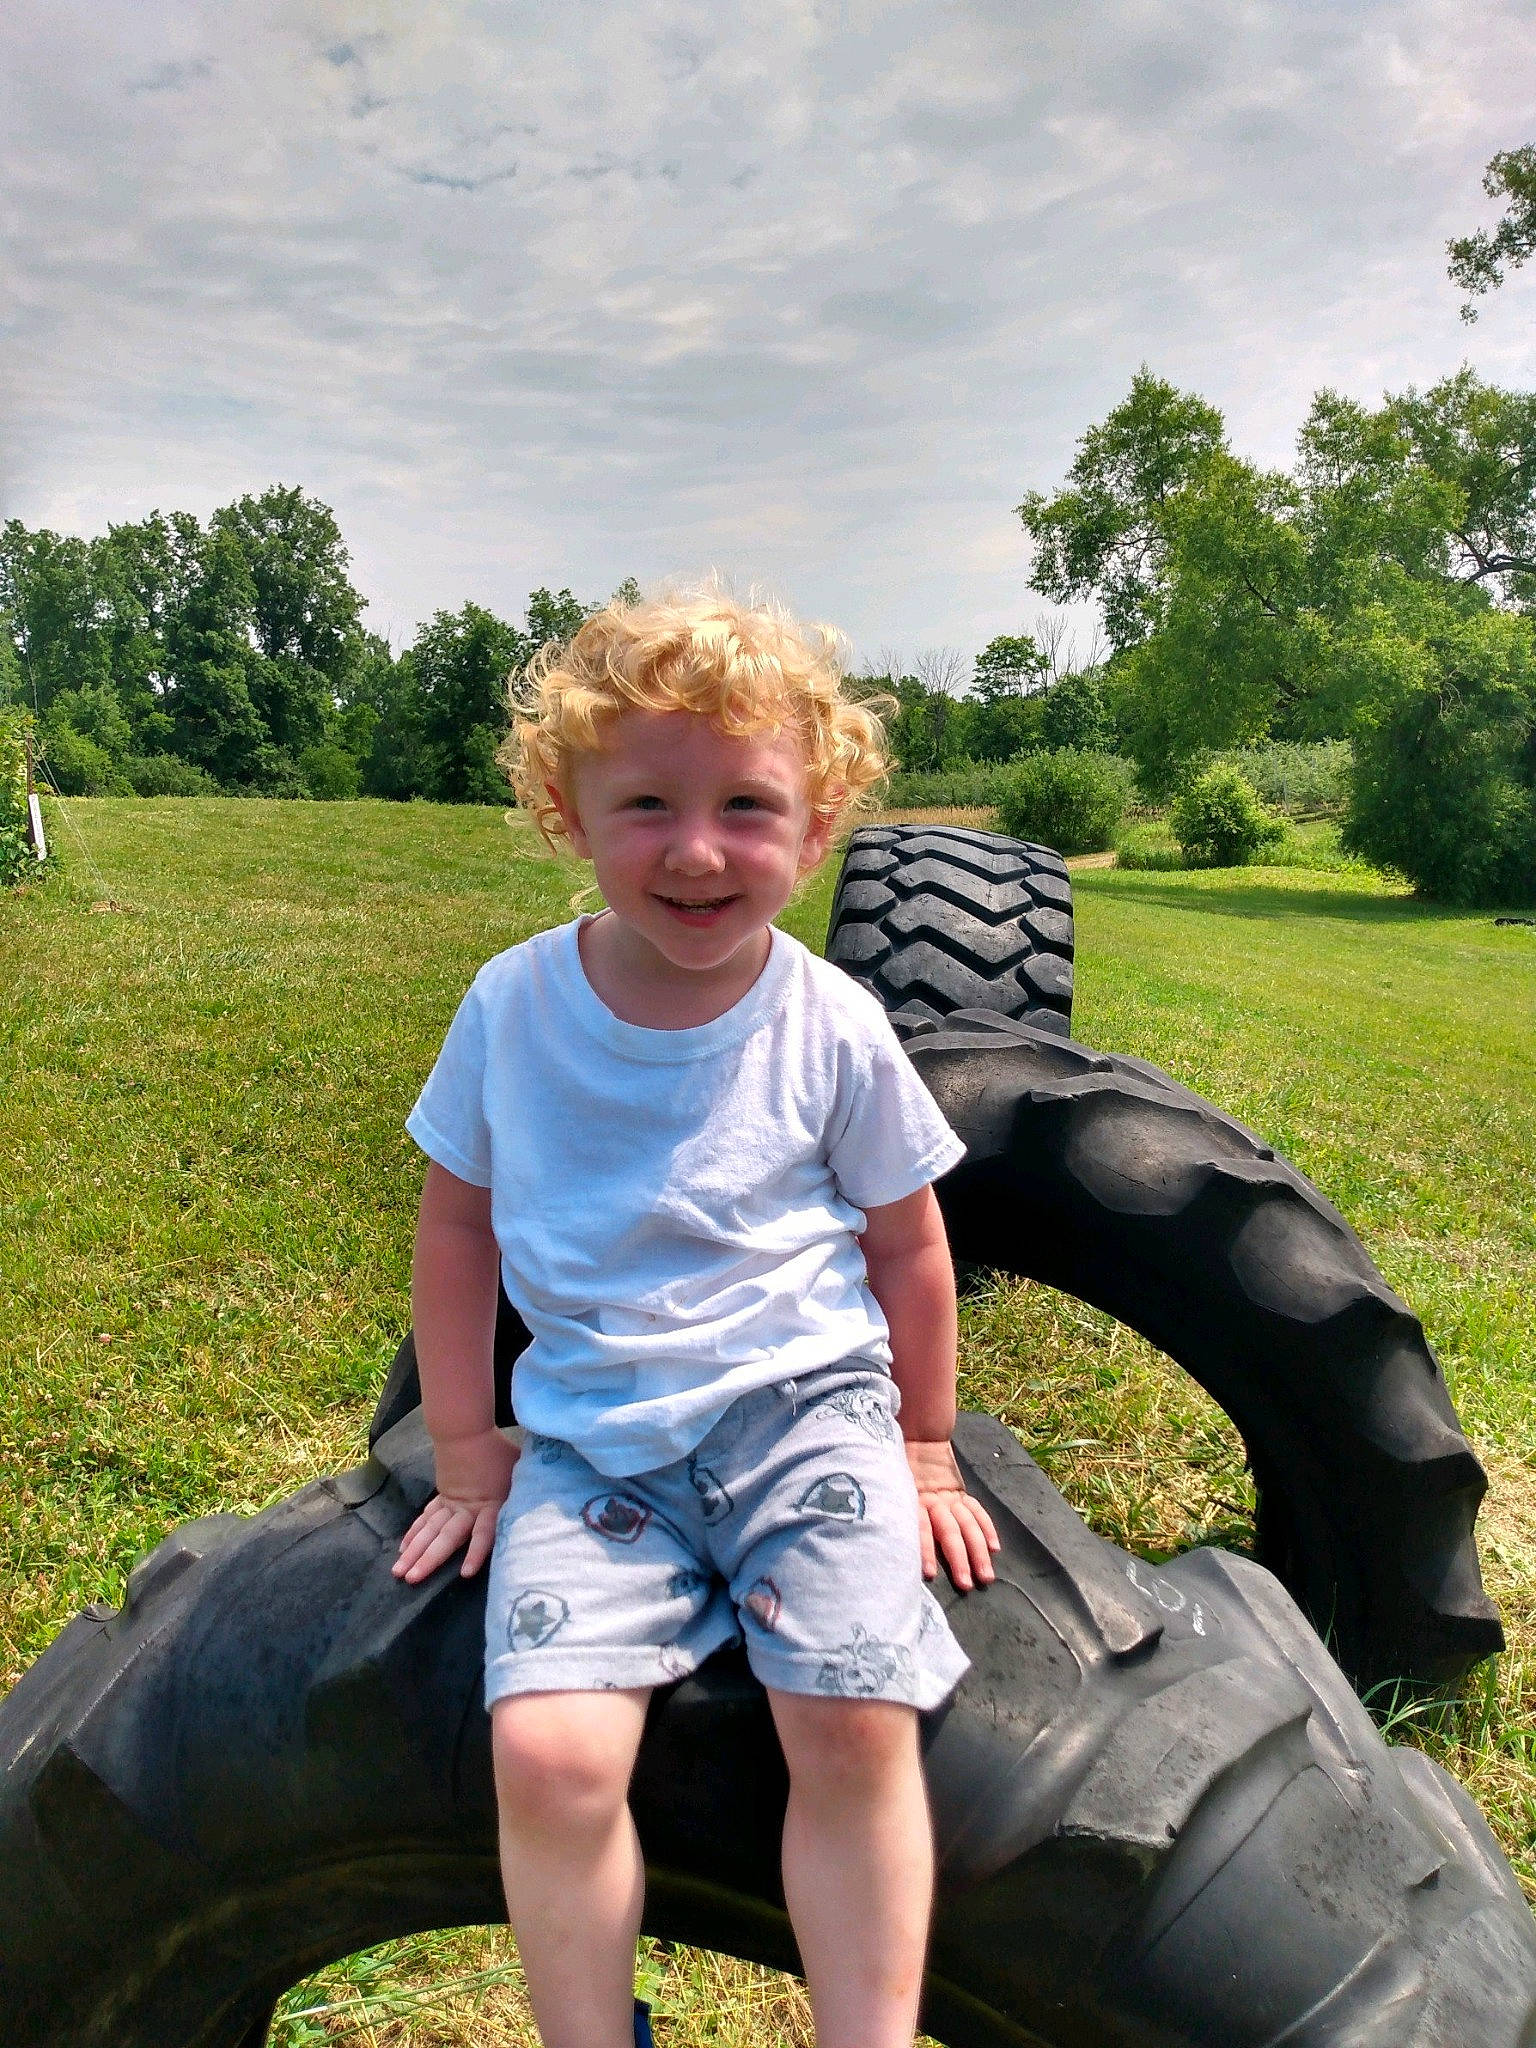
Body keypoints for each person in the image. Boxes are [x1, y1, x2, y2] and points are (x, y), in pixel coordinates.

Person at [392, 588, 999, 2048]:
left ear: (820, 816)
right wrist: (469, 1450)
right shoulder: (513, 1005)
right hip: (596, 1441)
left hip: (809, 1413)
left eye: (748, 803)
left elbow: (909, 1241)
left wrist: (924, 1447)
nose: (700, 849)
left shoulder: (832, 1020)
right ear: (567, 808)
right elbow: (458, 1224)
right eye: (648, 802)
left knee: (857, 1722)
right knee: (543, 1753)